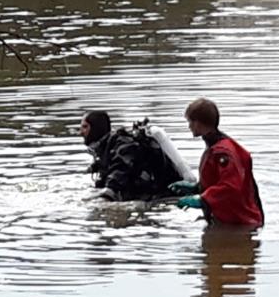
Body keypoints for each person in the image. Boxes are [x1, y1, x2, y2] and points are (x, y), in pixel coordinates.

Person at [169, 97, 265, 228]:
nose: (189, 126)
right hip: (230, 220)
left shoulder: (223, 152)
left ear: (198, 123)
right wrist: (196, 188)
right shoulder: (217, 147)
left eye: (191, 121)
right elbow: (218, 181)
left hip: (241, 222)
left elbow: (231, 187)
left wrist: (201, 200)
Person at [80, 110, 193, 201]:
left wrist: (105, 194)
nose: (81, 132)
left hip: (161, 196)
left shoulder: (123, 146)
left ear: (97, 128)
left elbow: (120, 170)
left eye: (85, 127)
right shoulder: (106, 149)